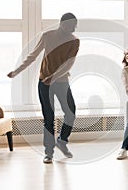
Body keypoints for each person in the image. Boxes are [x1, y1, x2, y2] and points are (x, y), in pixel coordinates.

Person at [7, 13, 80, 164]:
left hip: (61, 82)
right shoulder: (47, 36)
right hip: (44, 83)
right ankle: (49, 153)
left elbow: (68, 64)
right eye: (73, 25)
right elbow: (33, 56)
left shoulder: (74, 41)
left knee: (71, 113)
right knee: (49, 118)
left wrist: (53, 77)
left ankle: (62, 141)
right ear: (63, 23)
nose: (75, 28)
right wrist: (16, 71)